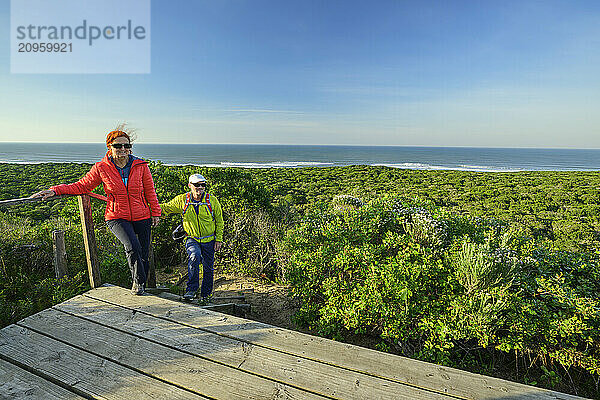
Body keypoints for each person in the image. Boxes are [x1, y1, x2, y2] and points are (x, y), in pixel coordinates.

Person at [31, 127, 161, 295]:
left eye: (126, 146)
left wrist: (156, 212)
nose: (123, 149)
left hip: (142, 214)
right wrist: (55, 190)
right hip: (116, 216)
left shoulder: (140, 165)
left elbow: (150, 191)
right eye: (118, 146)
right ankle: (138, 283)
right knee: (132, 246)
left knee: (143, 252)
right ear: (109, 147)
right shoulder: (102, 167)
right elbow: (82, 186)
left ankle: (142, 283)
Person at [160, 174, 223, 301]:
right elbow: (166, 207)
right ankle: (192, 290)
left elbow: (219, 221)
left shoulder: (212, 200)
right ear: (190, 185)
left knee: (208, 267)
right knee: (194, 256)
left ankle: (206, 294)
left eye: (203, 185)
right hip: (191, 238)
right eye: (197, 185)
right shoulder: (183, 200)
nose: (200, 187)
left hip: (209, 239)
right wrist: (145, 207)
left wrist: (219, 239)